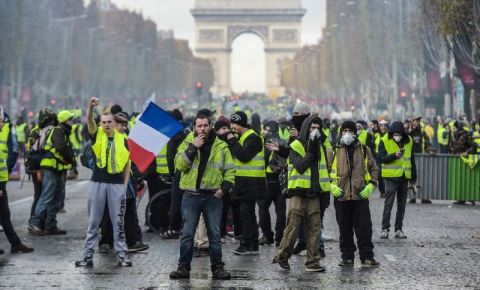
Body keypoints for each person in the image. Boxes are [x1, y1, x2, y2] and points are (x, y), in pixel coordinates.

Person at [169, 113, 234, 280]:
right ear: (194, 127)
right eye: (199, 126)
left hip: (213, 196)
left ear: (210, 126)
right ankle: (183, 268)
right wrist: (193, 147)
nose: (202, 129)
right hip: (191, 195)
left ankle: (218, 268)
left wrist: (223, 190)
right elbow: (179, 166)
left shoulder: (221, 145)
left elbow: (230, 170)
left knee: (214, 235)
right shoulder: (187, 142)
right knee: (187, 234)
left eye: (205, 125)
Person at [75, 97, 132, 267]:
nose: (106, 124)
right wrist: (90, 108)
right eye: (104, 122)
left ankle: (122, 255)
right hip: (97, 183)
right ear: (100, 124)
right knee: (94, 222)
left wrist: (124, 184)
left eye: (109, 122)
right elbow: (89, 121)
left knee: (118, 222)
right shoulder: (97, 134)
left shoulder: (123, 140)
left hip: (116, 185)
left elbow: (127, 164)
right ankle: (87, 255)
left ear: (114, 124)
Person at [272, 115, 328, 272]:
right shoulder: (296, 145)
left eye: (318, 128)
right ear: (306, 129)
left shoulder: (321, 147)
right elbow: (300, 166)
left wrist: (325, 194)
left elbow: (324, 172)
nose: (315, 131)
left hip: (314, 194)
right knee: (292, 228)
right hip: (298, 193)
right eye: (312, 128)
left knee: (314, 229)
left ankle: (313, 262)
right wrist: (311, 152)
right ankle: (282, 257)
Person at [329, 120, 380, 268]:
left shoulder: (364, 149)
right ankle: (347, 258)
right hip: (341, 196)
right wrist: (331, 185)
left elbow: (374, 169)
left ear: (355, 133)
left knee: (364, 228)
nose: (347, 134)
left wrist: (371, 185)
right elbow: (325, 171)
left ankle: (367, 257)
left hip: (360, 196)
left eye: (350, 131)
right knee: (344, 229)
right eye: (344, 131)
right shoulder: (334, 150)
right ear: (340, 133)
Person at [29, 110, 75, 235]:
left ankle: (50, 225)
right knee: (47, 196)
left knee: (55, 198)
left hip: (57, 168)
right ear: (65, 121)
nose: (72, 122)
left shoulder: (63, 131)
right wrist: (71, 158)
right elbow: (61, 148)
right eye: (70, 120)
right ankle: (35, 223)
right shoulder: (58, 130)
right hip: (50, 168)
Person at [227, 111, 267, 255]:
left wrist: (232, 140)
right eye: (231, 123)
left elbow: (243, 156)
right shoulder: (243, 137)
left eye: (235, 124)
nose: (232, 127)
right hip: (245, 182)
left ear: (242, 124)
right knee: (248, 214)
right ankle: (252, 245)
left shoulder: (253, 137)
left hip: (252, 182)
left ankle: (246, 244)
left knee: (246, 214)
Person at [0, 111, 34, 255]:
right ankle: (16, 243)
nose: (3, 123)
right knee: (4, 215)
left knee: (4, 215)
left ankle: (16, 244)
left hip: (1, 181)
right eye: (1, 120)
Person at [378, 121, 416, 239]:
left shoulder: (409, 141)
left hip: (404, 177)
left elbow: (412, 160)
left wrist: (414, 178)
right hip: (390, 177)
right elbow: (381, 158)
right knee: (388, 204)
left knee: (402, 205)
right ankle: (385, 229)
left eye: (399, 134)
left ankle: (398, 229)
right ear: (391, 133)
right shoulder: (384, 140)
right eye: (395, 134)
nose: (397, 136)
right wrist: (394, 155)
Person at [258, 120, 287, 247]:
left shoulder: (266, 142)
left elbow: (264, 160)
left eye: (265, 129)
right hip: (281, 180)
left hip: (268, 180)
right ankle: (279, 238)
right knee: (281, 210)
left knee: (263, 208)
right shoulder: (284, 142)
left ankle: (267, 236)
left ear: (269, 130)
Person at [409, 116, 434, 204]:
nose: (415, 122)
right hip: (410, 159)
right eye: (414, 121)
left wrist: (430, 149)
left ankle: (424, 197)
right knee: (412, 178)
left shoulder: (422, 132)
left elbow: (427, 143)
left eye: (417, 121)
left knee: (424, 178)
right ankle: (412, 197)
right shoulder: (408, 132)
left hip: (422, 159)